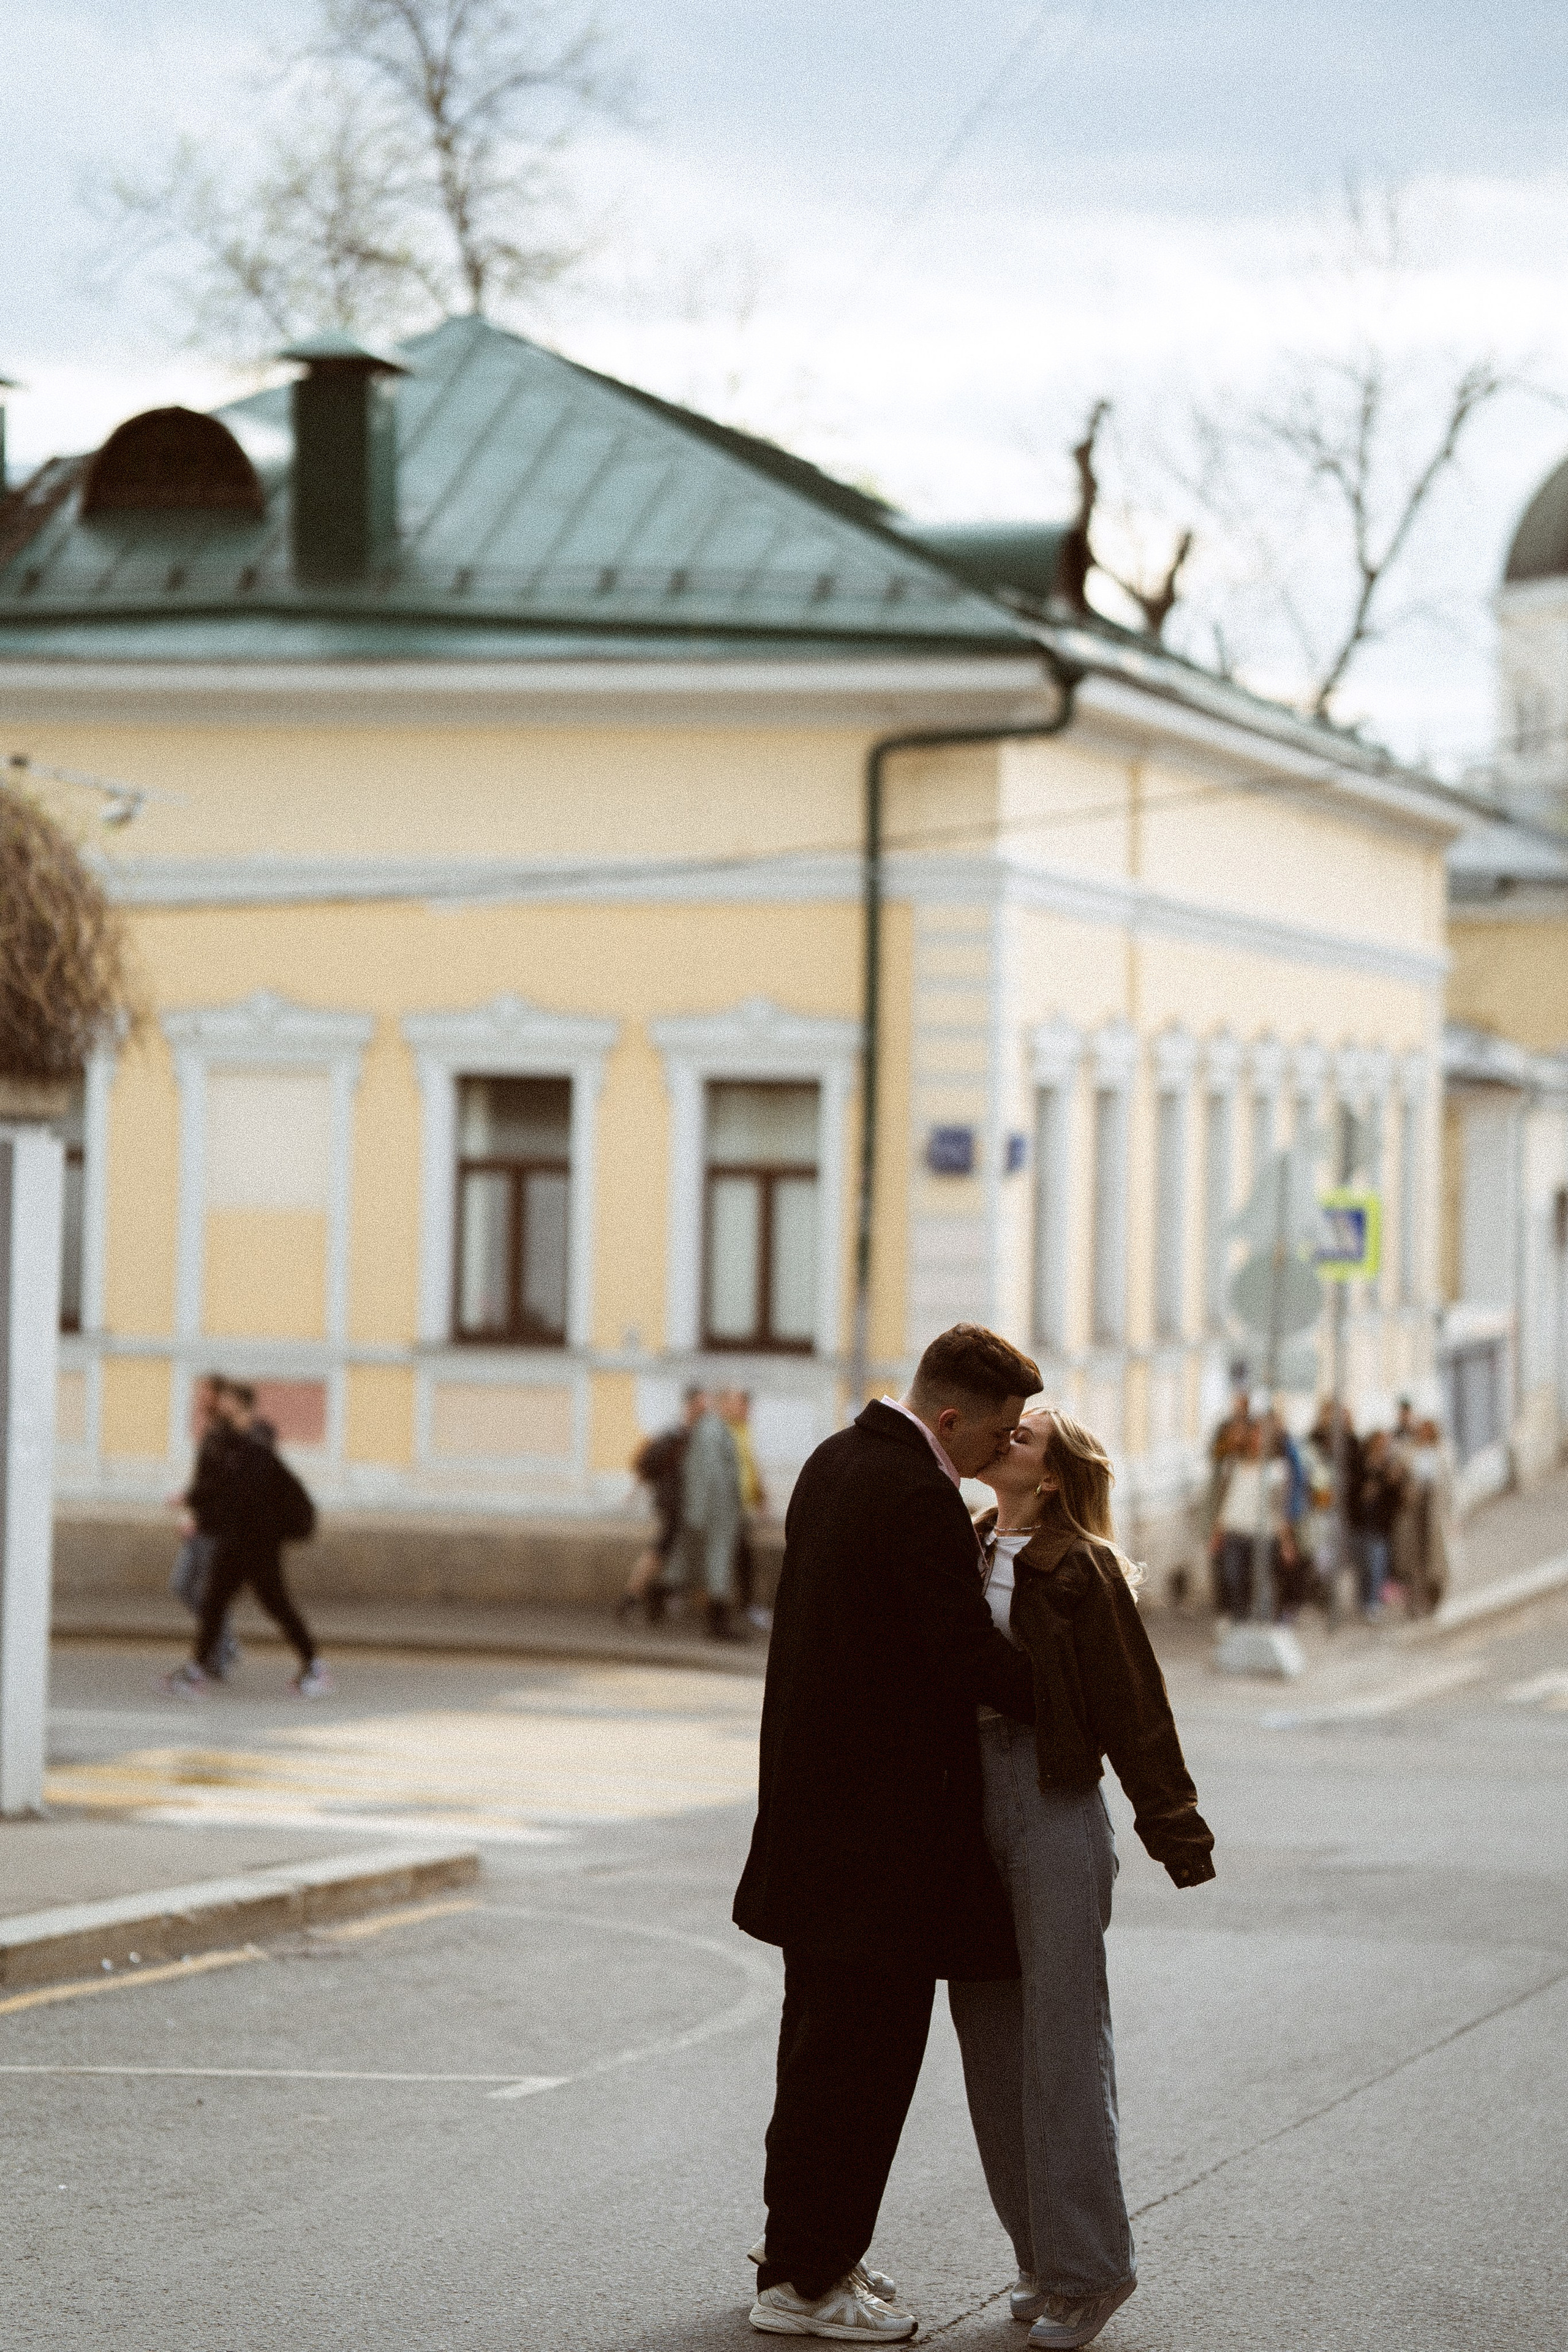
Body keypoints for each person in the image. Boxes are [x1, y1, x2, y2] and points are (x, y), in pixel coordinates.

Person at [735, 1323, 1039, 2345]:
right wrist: (1066, 1695)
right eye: (996, 1438)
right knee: (860, 2071)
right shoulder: (916, 1496)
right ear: (949, 1418)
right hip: (880, 1850)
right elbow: (960, 1652)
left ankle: (807, 2255)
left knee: (819, 2059)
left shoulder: (836, 1460)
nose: (1002, 1456)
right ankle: (807, 2288)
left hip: (822, 1830)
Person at [956, 1408, 1215, 2350]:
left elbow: (1134, 1702)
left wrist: (1173, 1827)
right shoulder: (967, 1543)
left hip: (1052, 1798)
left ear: (1053, 1476)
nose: (1000, 1441)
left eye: (1021, 1440)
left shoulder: (1081, 1568)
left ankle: (1092, 2273)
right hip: (965, 1802)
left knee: (1062, 2045)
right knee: (992, 2045)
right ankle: (1040, 2259)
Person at [163, 1382, 331, 1698]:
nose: (222, 1404)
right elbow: (223, 1487)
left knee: (276, 1606)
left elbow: (232, 1487)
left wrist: (190, 1499)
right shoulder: (235, 1441)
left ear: (242, 1405)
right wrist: (195, 1504)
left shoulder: (255, 1444)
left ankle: (315, 1667)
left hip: (258, 1543)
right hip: (238, 1539)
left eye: (228, 1400)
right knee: (216, 1603)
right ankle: (196, 1672)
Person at [169, 1374, 241, 1675]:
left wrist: (190, 1503)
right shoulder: (212, 1431)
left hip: (214, 1530)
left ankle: (221, 1652)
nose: (199, 1397)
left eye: (205, 1392)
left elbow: (220, 1486)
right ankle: (225, 1645)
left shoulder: (225, 1434)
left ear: (218, 1397)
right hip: (202, 1525)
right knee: (185, 1586)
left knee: (200, 1590)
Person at [616, 1389, 703, 1627]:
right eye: (698, 1407)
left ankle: (651, 1598)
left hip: (677, 1504)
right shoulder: (676, 1436)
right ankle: (634, 1595)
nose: (701, 1412)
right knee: (662, 1550)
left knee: (669, 1552)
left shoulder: (688, 1436)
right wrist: (633, 1492)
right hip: (673, 1504)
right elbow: (648, 1463)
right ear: (689, 1407)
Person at [679, 1387, 746, 1642]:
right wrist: (703, 1510)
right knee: (717, 1563)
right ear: (725, 1403)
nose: (743, 1409)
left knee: (711, 1563)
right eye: (739, 1402)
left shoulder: (716, 1429)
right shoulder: (712, 1429)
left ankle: (717, 1621)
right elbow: (709, 1474)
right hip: (719, 1510)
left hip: (719, 1509)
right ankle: (718, 1624)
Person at [1208, 1420, 1288, 1621]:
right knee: (1233, 1577)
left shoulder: (1277, 1469)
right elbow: (1226, 1501)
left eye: (1260, 1437)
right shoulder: (1234, 1465)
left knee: (1260, 1581)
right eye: (1252, 1437)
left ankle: (1261, 1621)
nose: (1255, 1442)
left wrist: (1286, 1541)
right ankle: (1239, 1620)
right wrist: (1218, 1532)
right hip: (1235, 1531)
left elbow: (1279, 1508)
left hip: (1263, 1534)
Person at [721, 1388, 773, 1633]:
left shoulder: (744, 1430)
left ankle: (745, 1606)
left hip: (739, 1508)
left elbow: (750, 1466)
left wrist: (761, 1497)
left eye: (743, 1405)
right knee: (732, 1559)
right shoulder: (722, 1431)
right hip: (725, 1508)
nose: (743, 1409)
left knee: (742, 1559)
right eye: (738, 1404)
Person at [1352, 1428, 1407, 1620]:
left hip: (1380, 1523)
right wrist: (1363, 1494)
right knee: (1362, 1563)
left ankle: (1373, 1601)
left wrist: (1390, 1483)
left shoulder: (1389, 1465)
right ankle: (1363, 1599)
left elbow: (1396, 1497)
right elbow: (1353, 1488)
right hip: (1361, 1521)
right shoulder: (1361, 1463)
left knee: (1377, 1562)